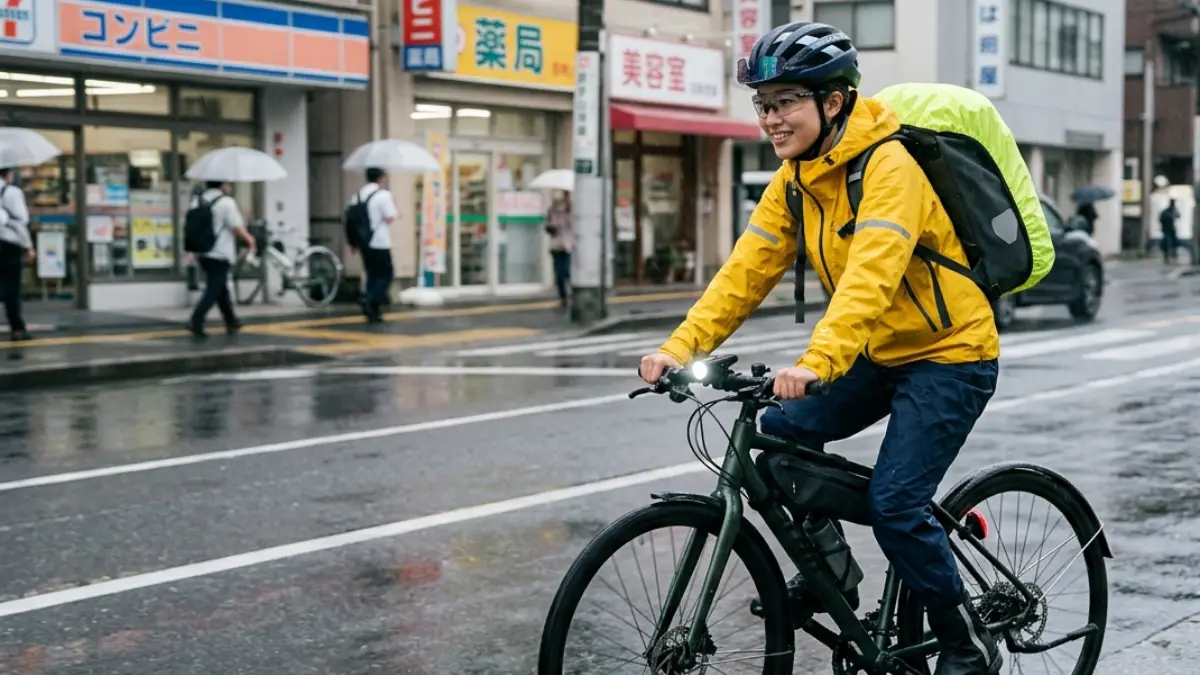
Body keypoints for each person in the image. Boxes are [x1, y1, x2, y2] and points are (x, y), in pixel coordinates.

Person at [638, 22, 1002, 675]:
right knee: (778, 439)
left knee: (895, 503)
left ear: (832, 102)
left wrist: (816, 363)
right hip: (880, 353)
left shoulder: (891, 166)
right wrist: (679, 346)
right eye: (763, 104)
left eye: (785, 102)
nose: (771, 119)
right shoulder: (797, 178)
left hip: (951, 352)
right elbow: (745, 273)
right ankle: (835, 570)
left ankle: (963, 642)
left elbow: (870, 278)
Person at [187, 181, 256, 338]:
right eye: (227, 183)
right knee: (215, 287)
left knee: (220, 288)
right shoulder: (226, 202)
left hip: (202, 251)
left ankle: (231, 320)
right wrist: (250, 239)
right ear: (222, 185)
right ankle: (196, 319)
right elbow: (237, 226)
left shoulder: (197, 201)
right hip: (220, 252)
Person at [351, 167, 397, 323]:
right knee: (386, 274)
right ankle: (369, 299)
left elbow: (350, 220)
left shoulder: (357, 195)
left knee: (372, 274)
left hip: (363, 242)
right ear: (381, 178)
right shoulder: (383, 195)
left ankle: (373, 310)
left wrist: (352, 242)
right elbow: (390, 216)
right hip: (380, 241)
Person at [0, 167, 32, 341]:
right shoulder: (12, 192)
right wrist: (28, 246)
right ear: (8, 174)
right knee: (12, 289)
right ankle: (17, 328)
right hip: (8, 245)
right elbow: (21, 221)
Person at [545, 191, 572, 307]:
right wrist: (551, 227)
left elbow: (573, 225)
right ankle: (563, 297)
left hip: (568, 245)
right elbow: (548, 227)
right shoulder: (551, 211)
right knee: (559, 273)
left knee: (567, 271)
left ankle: (570, 293)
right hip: (556, 245)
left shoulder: (571, 210)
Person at [1160, 199, 1179, 264]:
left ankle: (1171, 254)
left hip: (1170, 229)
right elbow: (1162, 219)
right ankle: (1168, 255)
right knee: (1167, 242)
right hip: (1167, 229)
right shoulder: (1167, 211)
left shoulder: (1172, 210)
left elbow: (1178, 216)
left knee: (1173, 241)